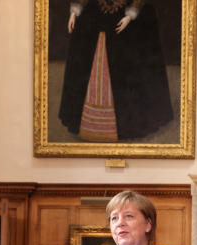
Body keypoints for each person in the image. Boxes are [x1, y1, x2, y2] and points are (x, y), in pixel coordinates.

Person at [58, 0, 173, 141]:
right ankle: (93, 126)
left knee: (129, 63)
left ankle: (128, 126)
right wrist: (74, 12)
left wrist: (130, 16)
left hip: (125, 17)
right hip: (97, 18)